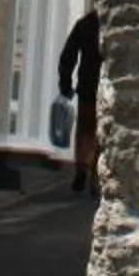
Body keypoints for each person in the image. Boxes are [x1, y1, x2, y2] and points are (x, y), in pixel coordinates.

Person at [57, 10, 103, 196]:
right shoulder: (109, 25)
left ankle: (81, 168)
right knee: (102, 133)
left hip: (86, 84)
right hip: (106, 85)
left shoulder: (85, 24)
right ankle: (95, 177)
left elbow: (68, 55)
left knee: (85, 129)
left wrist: (65, 83)